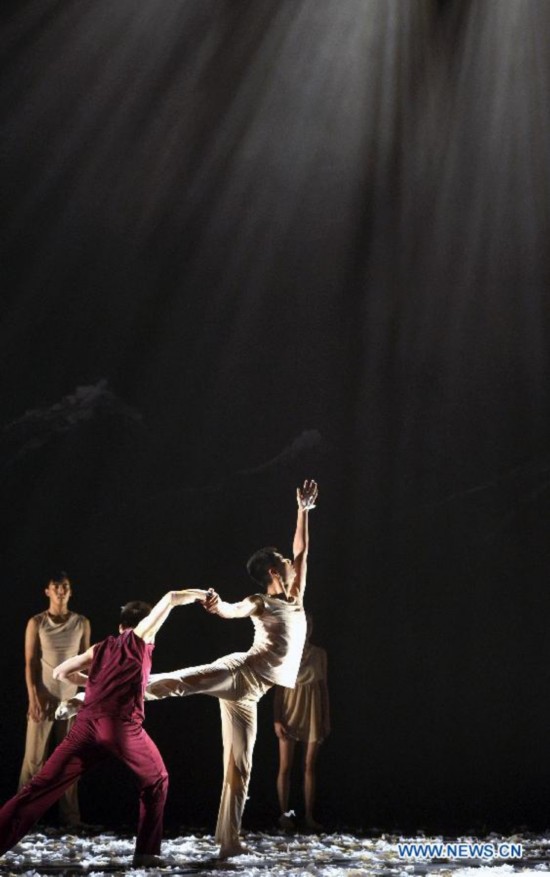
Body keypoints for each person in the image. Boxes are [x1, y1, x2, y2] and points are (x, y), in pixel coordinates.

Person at [145, 479, 319, 859]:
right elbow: (233, 610)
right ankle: (104, 690)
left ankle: (229, 841)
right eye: (285, 563)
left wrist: (303, 510)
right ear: (274, 571)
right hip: (242, 672)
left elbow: (301, 550)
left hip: (251, 696)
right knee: (181, 682)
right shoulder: (259, 601)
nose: (292, 564)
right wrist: (218, 606)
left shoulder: (296, 596)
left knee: (240, 766)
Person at [0, 588, 208, 868]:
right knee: (157, 779)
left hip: (85, 727)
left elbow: (60, 672)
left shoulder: (99, 648)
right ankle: (147, 853)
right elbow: (171, 597)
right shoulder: (139, 638)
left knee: (39, 788)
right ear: (143, 626)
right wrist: (204, 595)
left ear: (119, 626)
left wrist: (97, 679)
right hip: (120, 726)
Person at [19, 571, 91, 826]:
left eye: (65, 587)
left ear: (70, 591)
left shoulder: (81, 622)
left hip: (71, 700)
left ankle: (71, 817)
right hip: (44, 697)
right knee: (34, 761)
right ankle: (22, 817)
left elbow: (87, 662)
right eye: (56, 586)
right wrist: (33, 698)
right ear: (47, 591)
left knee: (69, 760)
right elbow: (30, 662)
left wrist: (85, 698)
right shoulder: (37, 622)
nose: (61, 591)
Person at [273, 613, 330, 832]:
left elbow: (324, 689)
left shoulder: (320, 654)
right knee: (285, 767)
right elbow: (278, 692)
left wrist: (326, 718)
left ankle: (308, 816)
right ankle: (284, 815)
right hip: (290, 711)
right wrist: (277, 719)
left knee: (309, 767)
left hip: (313, 711)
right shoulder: (285, 653)